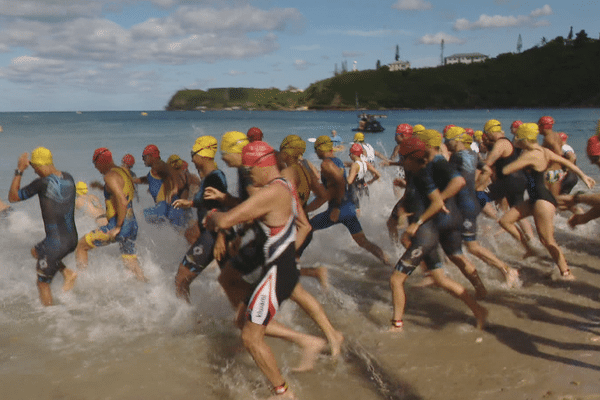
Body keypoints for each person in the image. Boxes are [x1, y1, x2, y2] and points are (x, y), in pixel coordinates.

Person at [205, 141, 326, 399]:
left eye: (250, 171)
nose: (249, 176)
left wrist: (213, 214)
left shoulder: (270, 192)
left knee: (250, 337)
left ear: (263, 164)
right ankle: (308, 342)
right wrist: (288, 253)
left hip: (277, 272)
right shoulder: (285, 185)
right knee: (242, 320)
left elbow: (225, 220)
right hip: (281, 267)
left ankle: (283, 393)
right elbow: (304, 226)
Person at [389, 136, 488, 331]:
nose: (401, 162)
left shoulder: (423, 175)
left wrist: (416, 223)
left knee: (395, 279)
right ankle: (479, 310)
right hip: (427, 234)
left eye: (403, 158)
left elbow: (437, 202)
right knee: (440, 279)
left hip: (425, 236)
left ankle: (396, 325)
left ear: (411, 158)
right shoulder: (417, 174)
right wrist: (403, 212)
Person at [499, 123, 595, 280]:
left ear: (523, 139)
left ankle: (566, 272)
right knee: (505, 220)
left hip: (542, 201)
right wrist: (584, 176)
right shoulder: (544, 151)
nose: (515, 140)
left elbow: (506, 170)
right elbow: (567, 163)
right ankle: (529, 248)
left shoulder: (530, 155)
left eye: (517, 138)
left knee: (547, 240)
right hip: (535, 199)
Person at [415, 129, 487, 299]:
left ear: (427, 145)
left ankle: (434, 277)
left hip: (444, 216)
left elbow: (458, 181)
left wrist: (438, 199)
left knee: (414, 241)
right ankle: (480, 290)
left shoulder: (439, 162)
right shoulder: (435, 162)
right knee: (456, 255)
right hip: (451, 214)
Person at [444, 127, 519, 287]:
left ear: (455, 140)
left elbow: (450, 180)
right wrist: (477, 187)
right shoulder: (473, 154)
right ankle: (449, 271)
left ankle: (506, 269)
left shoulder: (456, 157)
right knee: (452, 238)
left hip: (464, 205)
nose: (445, 143)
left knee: (472, 246)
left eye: (447, 139)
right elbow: (486, 169)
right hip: (470, 202)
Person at [8, 147, 78, 306]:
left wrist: (19, 170)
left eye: (35, 168)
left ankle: (51, 316)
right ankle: (67, 273)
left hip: (56, 244)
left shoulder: (42, 184)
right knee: (36, 251)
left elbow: (12, 197)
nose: (35, 172)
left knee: (42, 283)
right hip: (71, 239)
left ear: (40, 165)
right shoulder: (68, 177)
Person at [307, 136, 391, 265]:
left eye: (315, 149)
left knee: (306, 228)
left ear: (320, 149)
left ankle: (295, 262)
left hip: (338, 209)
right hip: (349, 208)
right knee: (363, 242)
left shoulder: (326, 164)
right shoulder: (338, 161)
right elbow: (336, 185)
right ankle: (387, 262)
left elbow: (341, 184)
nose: (315, 152)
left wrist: (333, 207)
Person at [75, 148, 147, 282]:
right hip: (132, 224)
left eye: (95, 164)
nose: (96, 168)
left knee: (81, 246)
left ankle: (82, 283)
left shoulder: (109, 176)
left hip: (118, 224)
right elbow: (121, 192)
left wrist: (118, 227)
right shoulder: (123, 172)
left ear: (100, 162)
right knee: (131, 261)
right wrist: (101, 187)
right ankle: (146, 287)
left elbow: (122, 200)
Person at [171, 136, 229, 301]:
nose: (191, 159)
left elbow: (222, 208)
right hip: (212, 235)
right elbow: (208, 200)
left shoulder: (214, 178)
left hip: (212, 236)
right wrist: (190, 203)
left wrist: (221, 237)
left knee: (181, 279)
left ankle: (185, 318)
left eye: (193, 154)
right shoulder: (212, 176)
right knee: (230, 282)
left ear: (203, 155)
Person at [477, 119, 536, 255]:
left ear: (492, 131)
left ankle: (496, 220)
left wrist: (473, 163)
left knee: (478, 195)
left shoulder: (501, 143)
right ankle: (531, 242)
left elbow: (489, 162)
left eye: (487, 133)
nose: (486, 136)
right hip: (518, 181)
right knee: (519, 212)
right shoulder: (507, 142)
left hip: (509, 182)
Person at [135, 144, 183, 228]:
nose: (143, 160)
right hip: (170, 208)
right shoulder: (155, 169)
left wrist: (175, 188)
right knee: (176, 234)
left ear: (150, 156)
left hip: (166, 207)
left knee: (140, 216)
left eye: (144, 157)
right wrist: (131, 180)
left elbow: (172, 171)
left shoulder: (159, 165)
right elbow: (148, 179)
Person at [347, 142, 381, 217]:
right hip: (364, 187)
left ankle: (355, 226)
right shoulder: (366, 163)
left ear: (353, 154)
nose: (349, 156)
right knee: (364, 209)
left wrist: (339, 178)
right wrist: (372, 181)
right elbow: (378, 174)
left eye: (350, 154)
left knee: (355, 210)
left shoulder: (355, 165)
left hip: (354, 189)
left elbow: (349, 181)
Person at [538, 116, 566, 197]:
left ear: (544, 126)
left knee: (545, 199)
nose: (538, 129)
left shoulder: (548, 138)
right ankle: (574, 208)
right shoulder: (556, 135)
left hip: (550, 172)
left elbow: (558, 152)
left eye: (539, 126)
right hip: (558, 171)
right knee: (554, 199)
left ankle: (575, 207)